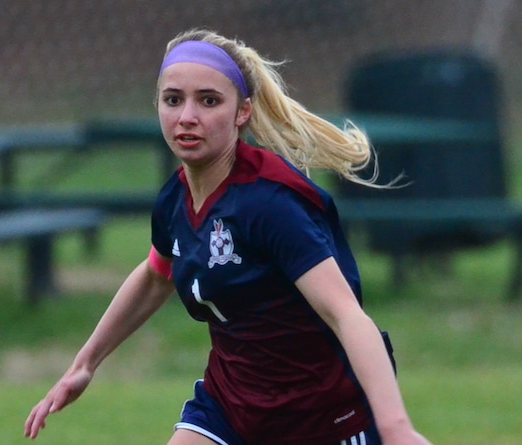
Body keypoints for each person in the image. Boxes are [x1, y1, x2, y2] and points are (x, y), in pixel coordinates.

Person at [24, 28, 432, 445]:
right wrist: (85, 364)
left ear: (243, 112)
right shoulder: (175, 198)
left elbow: (346, 315)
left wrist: (397, 428)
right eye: (173, 100)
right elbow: (155, 275)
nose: (187, 116)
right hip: (231, 407)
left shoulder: (270, 204)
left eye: (209, 100)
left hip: (322, 417)